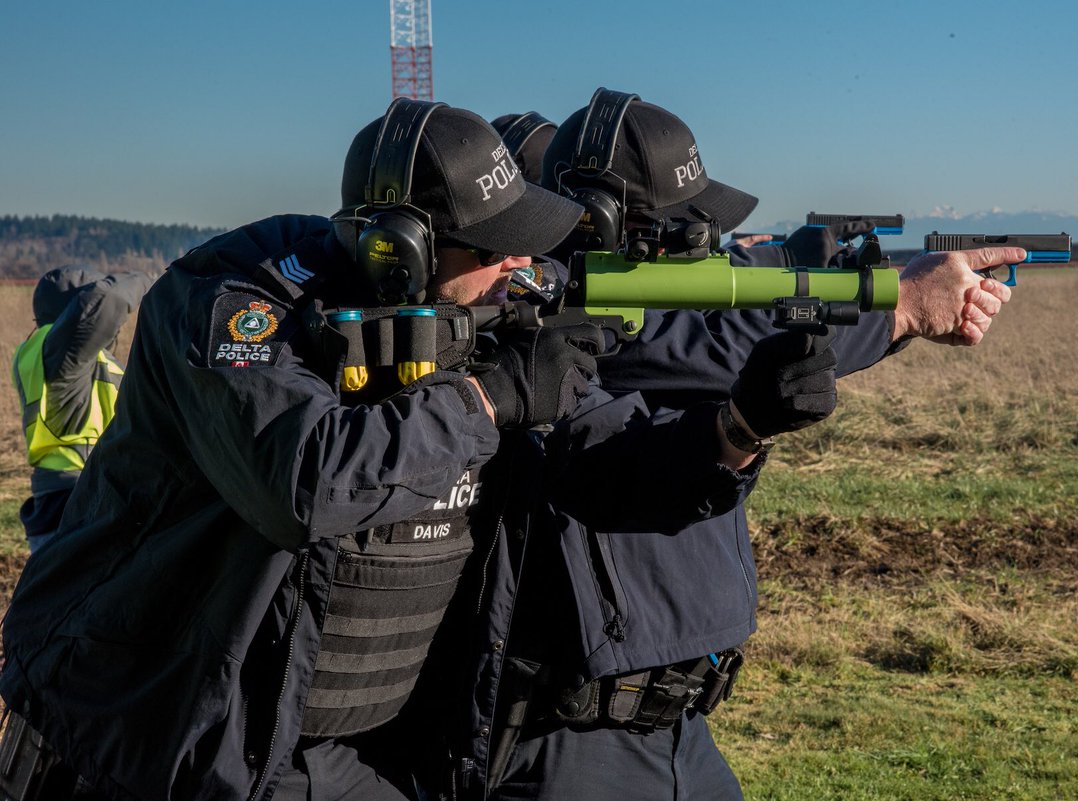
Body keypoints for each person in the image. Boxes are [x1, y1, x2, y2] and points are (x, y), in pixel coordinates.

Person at [0, 97, 831, 801]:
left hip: (349, 744)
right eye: (496, 247)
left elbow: (589, 462)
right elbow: (308, 480)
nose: (521, 266)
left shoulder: (478, 317)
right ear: (402, 253)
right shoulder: (235, 304)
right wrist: (488, 396)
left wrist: (736, 430)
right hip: (163, 732)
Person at [443, 90, 1024, 801]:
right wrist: (896, 305)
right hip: (569, 743)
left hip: (677, 728)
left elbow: (732, 342)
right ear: (611, 227)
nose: (707, 250)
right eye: (688, 233)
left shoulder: (629, 318)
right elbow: (712, 343)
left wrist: (867, 303)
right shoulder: (547, 313)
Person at [10, 267, 156, 552]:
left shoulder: (61, 357)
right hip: (76, 497)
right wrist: (150, 278)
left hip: (73, 495)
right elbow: (107, 298)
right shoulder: (61, 352)